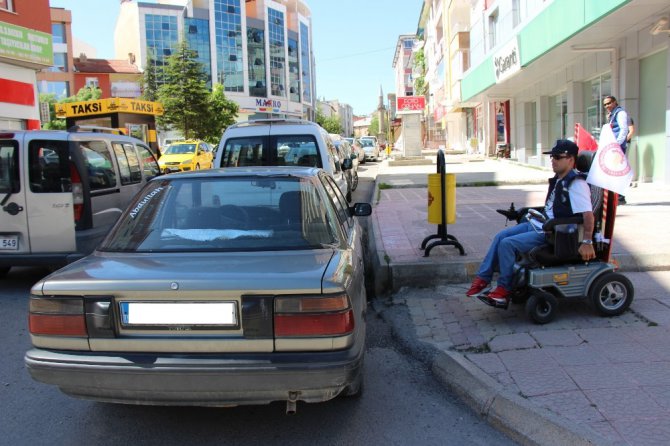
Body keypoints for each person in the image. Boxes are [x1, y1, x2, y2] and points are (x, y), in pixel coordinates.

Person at [465, 140, 596, 309]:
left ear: (571, 159)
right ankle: (483, 279)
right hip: (539, 223)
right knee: (500, 236)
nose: (553, 160)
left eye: (557, 157)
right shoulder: (559, 179)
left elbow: (587, 215)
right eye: (551, 157)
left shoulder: (577, 184)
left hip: (553, 232)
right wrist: (520, 213)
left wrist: (587, 242)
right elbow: (552, 208)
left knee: (507, 244)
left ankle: (504, 289)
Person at [603, 95, 629, 204]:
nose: (607, 106)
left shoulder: (620, 113)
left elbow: (624, 130)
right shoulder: (612, 114)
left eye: (609, 103)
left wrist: (617, 145)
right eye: (605, 104)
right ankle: (616, 196)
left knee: (618, 172)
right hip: (613, 148)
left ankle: (621, 197)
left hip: (617, 148)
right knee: (614, 172)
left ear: (615, 102)